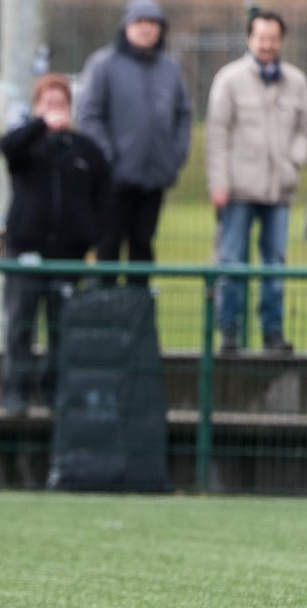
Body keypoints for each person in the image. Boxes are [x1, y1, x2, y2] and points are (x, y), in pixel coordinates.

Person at [0, 75, 110, 416]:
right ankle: (15, 392)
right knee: (20, 325)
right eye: (47, 104)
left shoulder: (85, 150)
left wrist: (90, 237)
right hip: (26, 251)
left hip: (68, 256)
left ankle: (54, 392)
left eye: (60, 104)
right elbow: (7, 147)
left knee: (62, 328)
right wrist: (38, 125)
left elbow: (103, 199)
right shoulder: (25, 146)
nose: (55, 111)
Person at [206, 9, 306, 356]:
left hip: (279, 190)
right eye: (261, 38)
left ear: (280, 41)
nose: (267, 44)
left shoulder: (296, 82)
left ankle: (273, 333)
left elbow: (303, 132)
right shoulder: (229, 79)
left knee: (276, 265)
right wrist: (218, 183)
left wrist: (292, 158)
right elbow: (216, 135)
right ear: (250, 38)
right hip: (237, 189)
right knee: (231, 261)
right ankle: (229, 332)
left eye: (273, 39)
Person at [76, 0, 191, 287]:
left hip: (153, 179)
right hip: (113, 181)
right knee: (108, 247)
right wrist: (108, 158)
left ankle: (138, 320)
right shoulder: (103, 64)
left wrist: (173, 156)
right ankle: (104, 317)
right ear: (126, 27)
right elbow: (88, 116)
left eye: (152, 24)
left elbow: (184, 115)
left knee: (143, 247)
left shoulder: (170, 69)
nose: (146, 29)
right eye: (140, 23)